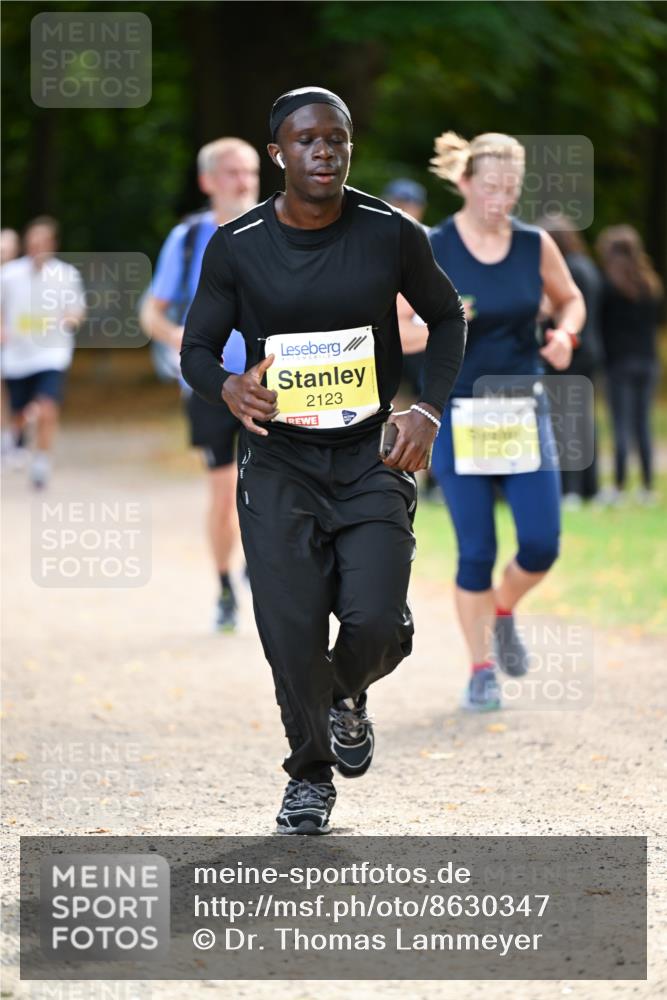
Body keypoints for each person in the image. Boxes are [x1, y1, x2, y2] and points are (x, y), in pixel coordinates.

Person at [181, 86, 466, 834]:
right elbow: (196, 349)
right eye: (306, 140)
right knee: (289, 631)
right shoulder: (237, 244)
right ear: (278, 155)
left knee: (373, 622)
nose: (324, 151)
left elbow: (444, 317)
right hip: (278, 462)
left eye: (336, 138)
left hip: (369, 454)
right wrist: (227, 386)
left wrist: (427, 409)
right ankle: (309, 775)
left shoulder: (389, 231)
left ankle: (348, 690)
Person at [400, 132, 585, 711]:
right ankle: (481, 668)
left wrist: (565, 334)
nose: (501, 199)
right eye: (490, 187)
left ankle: (503, 609)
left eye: (511, 188)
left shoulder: (534, 245)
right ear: (464, 183)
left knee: (541, 543)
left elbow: (570, 298)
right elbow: (399, 328)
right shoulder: (433, 246)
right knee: (475, 550)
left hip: (521, 409)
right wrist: (442, 325)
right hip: (455, 412)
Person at [140, 138, 260, 631]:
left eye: (251, 172)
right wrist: (175, 338)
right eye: (232, 172)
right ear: (208, 181)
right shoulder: (187, 239)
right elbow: (152, 308)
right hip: (210, 387)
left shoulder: (279, 227)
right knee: (223, 493)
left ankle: (268, 571)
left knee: (280, 488)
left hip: (274, 385)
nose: (244, 181)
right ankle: (226, 587)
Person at [1, 216, 85, 488]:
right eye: (33, 242)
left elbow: (76, 309)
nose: (37, 247)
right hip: (16, 356)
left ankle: (41, 462)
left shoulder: (67, 274)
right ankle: (18, 435)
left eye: (43, 242)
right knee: (20, 413)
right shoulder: (9, 275)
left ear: (52, 244)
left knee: (47, 407)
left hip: (52, 353)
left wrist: (70, 319)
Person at [538, 214, 603, 507]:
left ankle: (571, 488)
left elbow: (552, 307)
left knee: (565, 421)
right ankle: (589, 487)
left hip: (568, 352)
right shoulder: (587, 266)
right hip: (589, 350)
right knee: (583, 420)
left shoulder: (567, 270)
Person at [596, 225, 663, 505]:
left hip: (619, 363)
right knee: (643, 425)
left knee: (620, 425)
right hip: (648, 362)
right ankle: (647, 486)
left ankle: (620, 486)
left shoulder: (607, 286)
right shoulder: (651, 284)